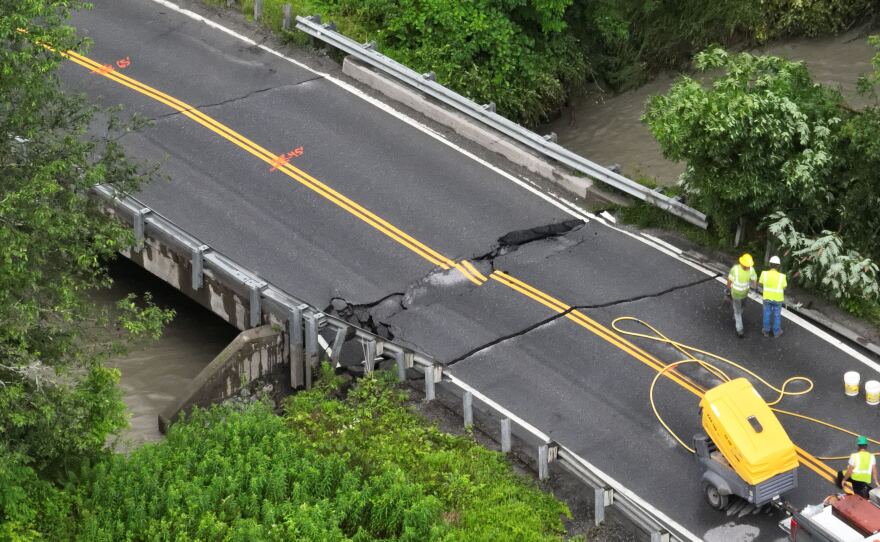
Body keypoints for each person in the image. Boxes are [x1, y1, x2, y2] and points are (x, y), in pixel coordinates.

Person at [727, 253, 758, 338]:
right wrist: (755, 289)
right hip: (744, 293)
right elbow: (754, 280)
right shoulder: (751, 270)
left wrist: (728, 289)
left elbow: (729, 281)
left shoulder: (735, 269)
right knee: (742, 307)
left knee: (737, 311)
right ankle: (738, 323)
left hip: (736, 294)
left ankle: (739, 330)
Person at [759, 255, 787, 337]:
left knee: (767, 314)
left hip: (767, 297)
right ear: (778, 265)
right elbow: (784, 287)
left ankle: (766, 331)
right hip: (778, 299)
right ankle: (776, 332)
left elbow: (760, 283)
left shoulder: (764, 274)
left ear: (770, 264)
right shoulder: (782, 276)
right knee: (777, 315)